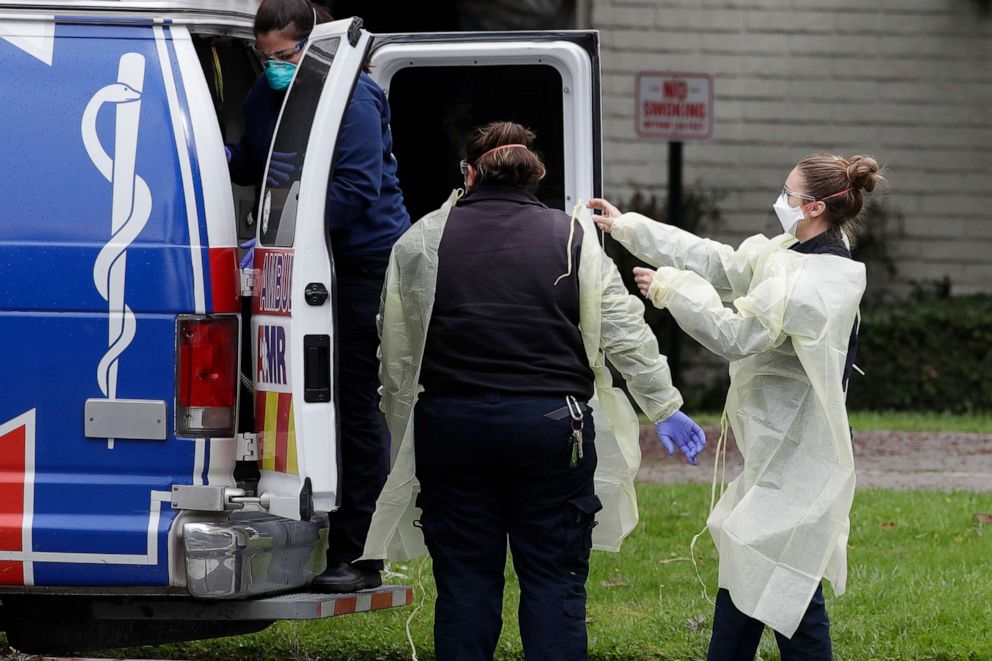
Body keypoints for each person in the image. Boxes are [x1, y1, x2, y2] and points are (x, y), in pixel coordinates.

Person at [360, 121, 705, 661]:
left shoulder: (423, 238)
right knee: (553, 580)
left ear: (468, 174)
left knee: (466, 585)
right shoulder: (573, 239)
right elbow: (625, 331)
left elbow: (395, 345)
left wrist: (396, 422)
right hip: (551, 427)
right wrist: (664, 406)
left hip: (452, 427)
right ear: (534, 175)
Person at [588, 153, 881, 660]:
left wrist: (668, 289)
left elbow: (736, 333)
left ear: (812, 207)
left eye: (787, 194)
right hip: (776, 444)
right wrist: (629, 228)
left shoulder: (813, 282)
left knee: (776, 566)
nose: (780, 201)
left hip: (799, 447)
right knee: (763, 559)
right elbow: (720, 262)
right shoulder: (793, 251)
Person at [228, 0, 411, 593]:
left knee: (354, 407)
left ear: (312, 48)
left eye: (284, 57)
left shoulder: (349, 99)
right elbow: (254, 163)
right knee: (295, 399)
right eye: (266, 59)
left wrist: (283, 239)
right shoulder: (267, 98)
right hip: (300, 261)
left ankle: (360, 554)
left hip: (362, 263)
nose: (275, 68)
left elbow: (358, 188)